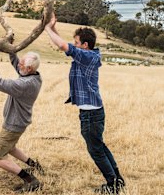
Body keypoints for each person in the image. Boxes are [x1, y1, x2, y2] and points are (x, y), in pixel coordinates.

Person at [44, 14, 125, 194]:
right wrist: (53, 27)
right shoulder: (88, 54)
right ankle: (118, 179)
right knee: (99, 146)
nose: (75, 45)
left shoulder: (86, 57)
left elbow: (64, 46)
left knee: (95, 150)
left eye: (77, 42)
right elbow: (68, 46)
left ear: (85, 45)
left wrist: (47, 29)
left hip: (91, 114)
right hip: (93, 112)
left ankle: (113, 184)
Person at [0, 46, 45, 193]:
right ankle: (34, 165)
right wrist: (11, 50)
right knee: (10, 147)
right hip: (19, 122)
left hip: (13, 125)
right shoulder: (34, 76)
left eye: (22, 64)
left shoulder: (24, 84)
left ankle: (30, 179)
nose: (19, 65)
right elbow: (19, 68)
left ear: (29, 69)